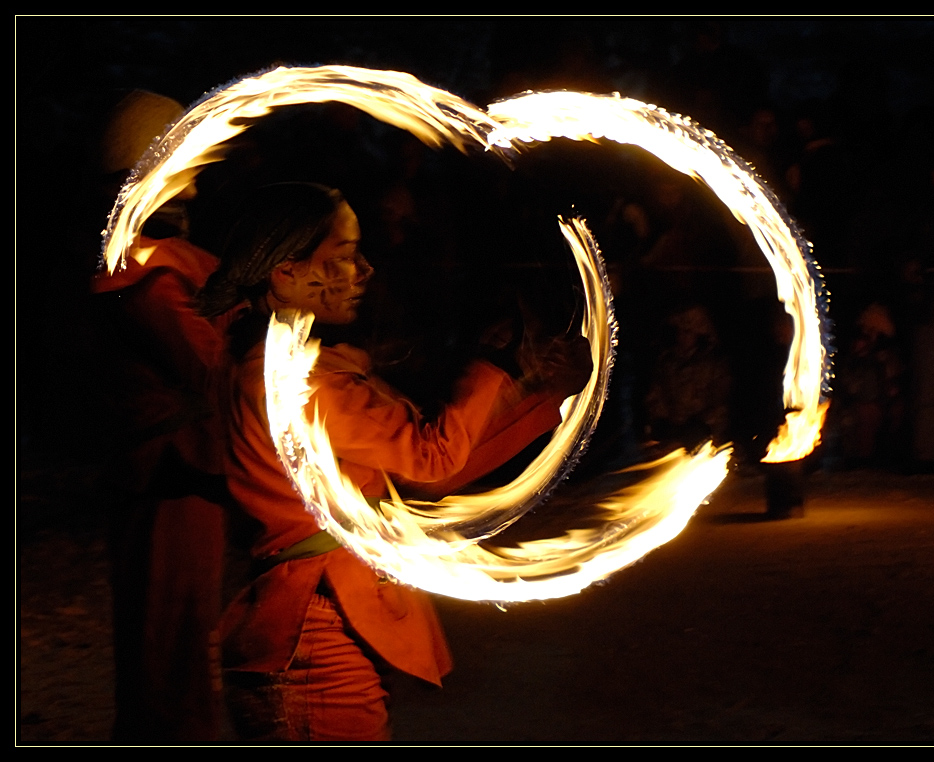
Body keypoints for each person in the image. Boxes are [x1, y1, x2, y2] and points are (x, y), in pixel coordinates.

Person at [196, 182, 590, 742]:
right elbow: (430, 457)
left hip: (327, 623)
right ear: (285, 272)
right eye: (343, 257)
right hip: (316, 633)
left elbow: (426, 468)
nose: (365, 270)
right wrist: (494, 367)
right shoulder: (296, 382)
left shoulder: (287, 367)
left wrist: (544, 395)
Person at [92, 90, 233, 743]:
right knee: (172, 647)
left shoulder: (142, 270)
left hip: (166, 480)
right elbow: (216, 369)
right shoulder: (148, 281)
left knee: (166, 643)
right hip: (173, 483)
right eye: (187, 168)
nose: (199, 185)